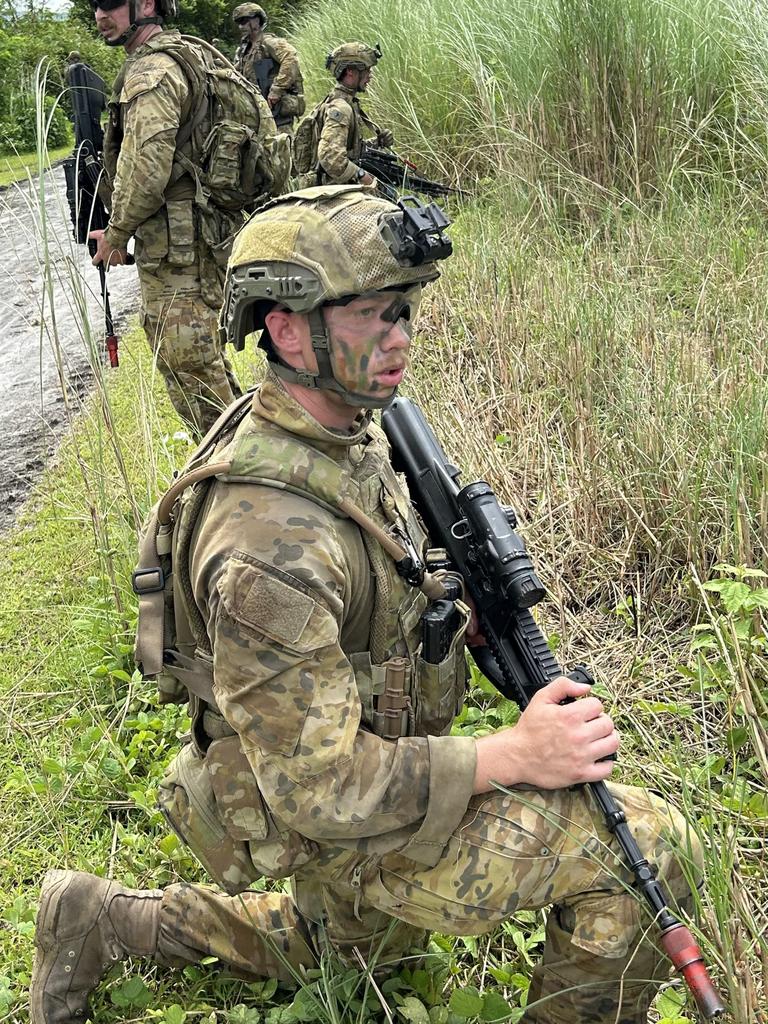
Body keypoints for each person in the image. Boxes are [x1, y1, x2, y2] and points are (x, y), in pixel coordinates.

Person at [30, 186, 703, 1024]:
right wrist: (512, 754)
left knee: (338, 952)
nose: (402, 340)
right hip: (321, 810)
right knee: (645, 848)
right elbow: (318, 791)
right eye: (375, 317)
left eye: (407, 313)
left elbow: (373, 602)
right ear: (286, 330)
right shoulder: (269, 544)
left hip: (368, 761)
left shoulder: (329, 428)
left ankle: (100, 918)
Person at [90, 0, 277, 436]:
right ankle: (241, 458)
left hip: (179, 246)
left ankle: (238, 472)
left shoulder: (152, 72)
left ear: (147, 4)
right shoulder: (192, 53)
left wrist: (116, 234)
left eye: (112, 3)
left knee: (187, 364)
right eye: (95, 4)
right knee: (200, 362)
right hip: (199, 232)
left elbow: (146, 171)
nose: (100, 14)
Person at [304, 41, 394, 186]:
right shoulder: (341, 108)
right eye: (367, 70)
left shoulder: (345, 102)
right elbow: (330, 156)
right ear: (350, 71)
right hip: (330, 190)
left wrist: (377, 143)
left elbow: (348, 149)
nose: (370, 76)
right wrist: (361, 175)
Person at [232, 3, 304, 133]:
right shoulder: (245, 49)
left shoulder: (268, 42)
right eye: (239, 22)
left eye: (244, 21)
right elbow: (238, 71)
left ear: (257, 21)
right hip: (257, 113)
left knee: (280, 149)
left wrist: (277, 89)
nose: (241, 26)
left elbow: (290, 57)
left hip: (277, 113)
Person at [64, 51, 107, 151]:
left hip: (82, 108)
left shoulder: (77, 72)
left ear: (73, 59)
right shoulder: (86, 72)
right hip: (86, 109)